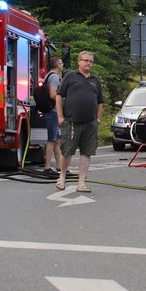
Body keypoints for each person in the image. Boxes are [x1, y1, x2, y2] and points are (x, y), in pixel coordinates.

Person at [56, 51, 104, 193]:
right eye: (85, 60)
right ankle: (62, 177)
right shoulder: (70, 76)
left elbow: (100, 102)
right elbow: (59, 95)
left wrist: (98, 119)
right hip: (71, 121)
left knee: (86, 152)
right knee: (67, 151)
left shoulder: (95, 80)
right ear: (79, 62)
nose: (88, 63)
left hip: (90, 123)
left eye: (90, 61)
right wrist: (60, 116)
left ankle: (81, 182)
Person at [41, 56, 64, 174]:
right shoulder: (54, 77)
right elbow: (52, 94)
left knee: (57, 140)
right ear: (56, 65)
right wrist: (63, 100)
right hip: (53, 111)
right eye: (61, 63)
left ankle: (60, 167)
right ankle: (47, 166)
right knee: (51, 140)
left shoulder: (48, 76)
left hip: (52, 111)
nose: (62, 65)